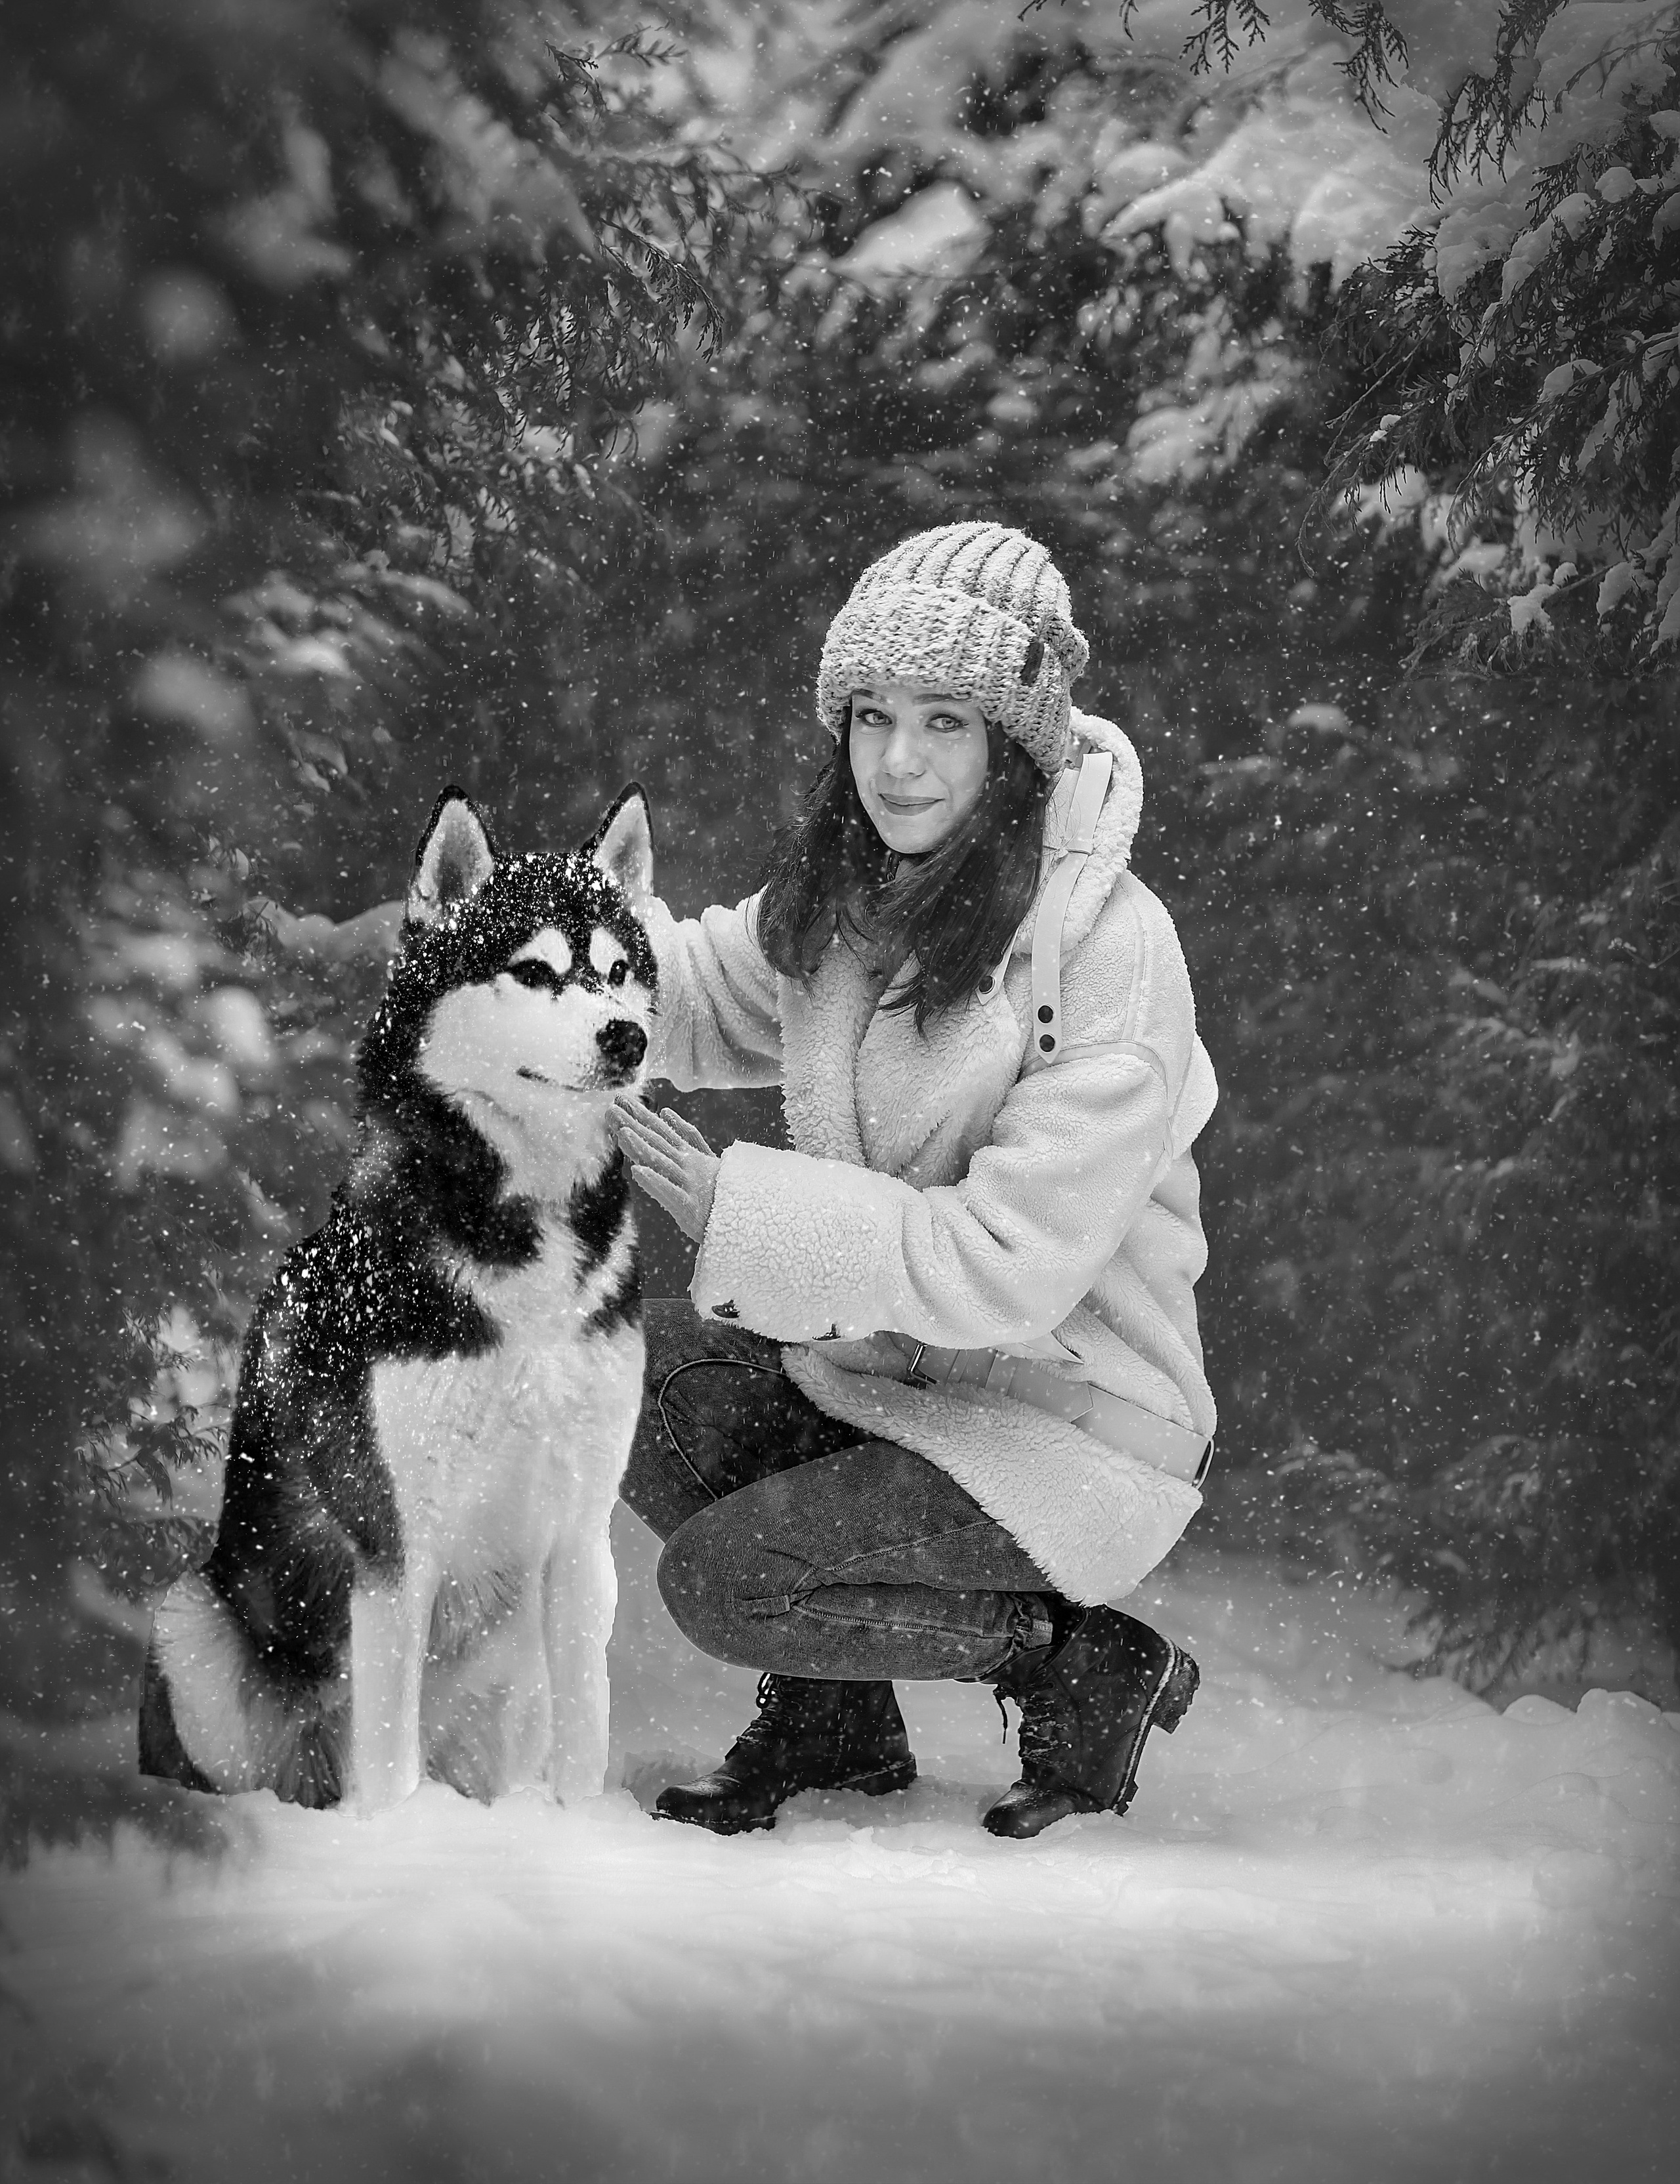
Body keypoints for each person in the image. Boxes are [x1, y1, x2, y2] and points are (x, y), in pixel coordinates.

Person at [612, 521, 1219, 1839]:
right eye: (871, 713)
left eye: (944, 720)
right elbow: (698, 989)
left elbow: (1010, 1264)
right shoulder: (858, 894)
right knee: (643, 1384)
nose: (896, 759)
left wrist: (743, 1215)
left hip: (1071, 1426)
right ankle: (839, 1714)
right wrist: (511, 955)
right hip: (900, 1384)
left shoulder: (1104, 947)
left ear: (1013, 738)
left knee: (726, 1583)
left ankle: (1079, 1661)